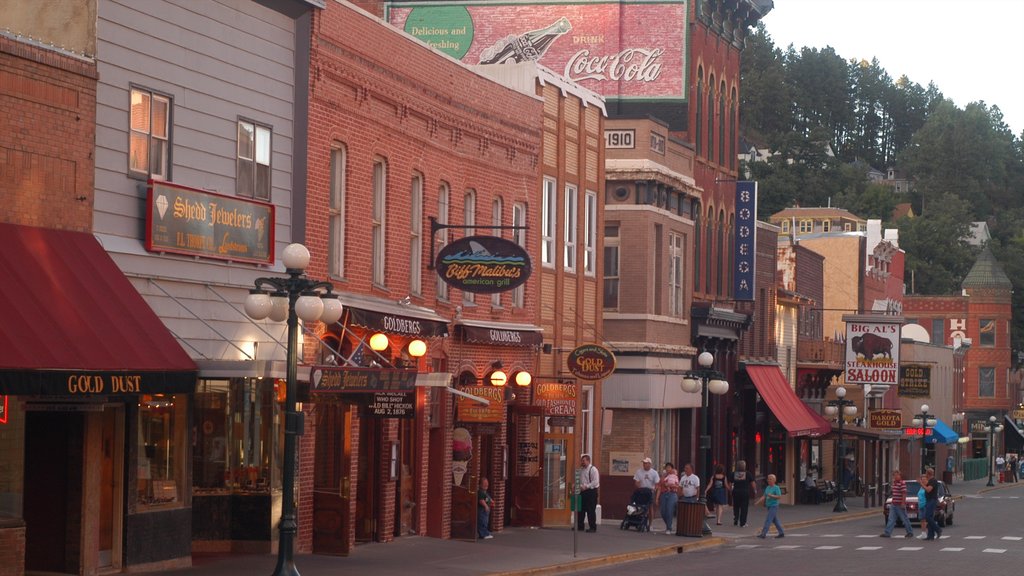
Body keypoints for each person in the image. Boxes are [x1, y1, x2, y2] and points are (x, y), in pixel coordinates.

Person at [880, 470, 914, 538]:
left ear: (900, 476)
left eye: (897, 475)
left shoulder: (902, 483)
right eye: (894, 475)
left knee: (904, 519)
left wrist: (903, 503)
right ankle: (887, 533)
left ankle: (910, 532)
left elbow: (904, 493)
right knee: (891, 519)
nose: (895, 477)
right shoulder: (894, 483)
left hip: (899, 504)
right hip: (894, 504)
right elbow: (894, 493)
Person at [756, 473, 785, 539]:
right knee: (775, 520)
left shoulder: (776, 487)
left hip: (774, 505)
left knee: (768, 519)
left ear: (774, 480)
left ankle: (763, 534)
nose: (768, 480)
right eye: (768, 479)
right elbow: (764, 496)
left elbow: (779, 496)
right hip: (768, 506)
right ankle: (781, 532)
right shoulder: (768, 487)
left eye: (770, 479)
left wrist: (771, 495)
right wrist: (758, 502)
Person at [729, 460, 756, 527]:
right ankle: (742, 522)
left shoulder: (733, 473)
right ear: (744, 466)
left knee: (736, 506)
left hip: (736, 491)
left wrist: (730, 490)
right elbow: (752, 482)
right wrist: (754, 490)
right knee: (744, 507)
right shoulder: (748, 474)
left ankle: (736, 518)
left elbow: (730, 483)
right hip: (744, 492)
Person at [577, 454, 600, 532]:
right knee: (580, 510)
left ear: (588, 461)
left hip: (591, 492)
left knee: (590, 510)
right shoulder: (581, 470)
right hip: (583, 491)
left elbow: (595, 481)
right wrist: (578, 485)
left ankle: (592, 527)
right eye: (582, 461)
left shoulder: (593, 469)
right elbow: (581, 480)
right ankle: (580, 526)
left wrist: (586, 486)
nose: (582, 462)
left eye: (584, 461)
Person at [656, 462, 680, 534]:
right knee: (663, 511)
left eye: (669, 467)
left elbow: (678, 486)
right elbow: (659, 488)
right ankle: (668, 524)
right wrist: (657, 498)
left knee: (669, 510)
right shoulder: (663, 477)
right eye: (667, 467)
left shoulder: (674, 476)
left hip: (672, 494)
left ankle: (668, 528)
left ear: (672, 469)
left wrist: (670, 485)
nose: (668, 469)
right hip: (663, 494)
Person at [920, 467, 942, 541]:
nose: (925, 475)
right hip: (929, 500)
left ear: (928, 474)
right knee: (930, 518)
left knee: (928, 517)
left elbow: (928, 490)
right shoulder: (930, 480)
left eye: (926, 473)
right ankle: (930, 535)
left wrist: (921, 484)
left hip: (932, 500)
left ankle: (938, 529)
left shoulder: (933, 481)